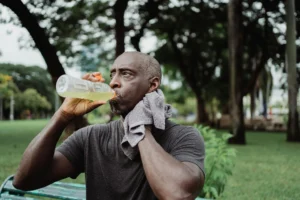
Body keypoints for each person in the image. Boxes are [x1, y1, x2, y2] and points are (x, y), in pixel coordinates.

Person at [13, 52, 205, 200]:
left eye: (126, 74)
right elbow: (24, 181)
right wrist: (62, 116)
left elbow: (177, 194)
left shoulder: (183, 137)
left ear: (152, 85)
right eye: (112, 74)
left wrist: (140, 128)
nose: (113, 82)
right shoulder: (91, 137)